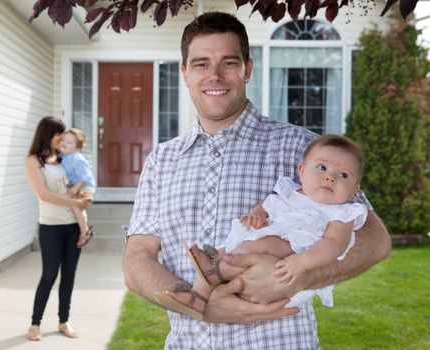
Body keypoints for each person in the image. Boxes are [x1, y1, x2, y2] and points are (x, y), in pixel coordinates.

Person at [123, 11, 391, 349]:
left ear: (247, 69)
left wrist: (297, 276)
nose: (215, 76)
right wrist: (200, 306)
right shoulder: (161, 162)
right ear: (185, 73)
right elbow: (137, 263)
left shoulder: (304, 151)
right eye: (201, 64)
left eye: (228, 63)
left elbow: (375, 241)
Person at [155, 134, 369, 320]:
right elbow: (266, 206)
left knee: (261, 244)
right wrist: (257, 215)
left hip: (294, 257)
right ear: (302, 171)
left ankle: (208, 278)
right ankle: (198, 293)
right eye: (322, 167)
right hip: (266, 242)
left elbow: (334, 246)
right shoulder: (289, 192)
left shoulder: (342, 213)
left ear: (354, 189)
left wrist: (302, 262)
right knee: (237, 243)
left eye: (343, 175)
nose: (330, 177)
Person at [25, 116, 92, 341]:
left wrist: (83, 195)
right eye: (58, 135)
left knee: (69, 276)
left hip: (73, 227)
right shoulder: (34, 161)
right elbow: (44, 194)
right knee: (49, 275)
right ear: (47, 135)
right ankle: (35, 324)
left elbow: (74, 183)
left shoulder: (63, 158)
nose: (62, 138)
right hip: (51, 228)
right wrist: (75, 202)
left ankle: (64, 321)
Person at [60, 128, 96, 248]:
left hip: (84, 185)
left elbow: (85, 176)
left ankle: (83, 231)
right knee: (74, 204)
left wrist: (76, 188)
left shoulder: (77, 158)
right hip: (76, 184)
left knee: (76, 206)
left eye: (69, 143)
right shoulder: (64, 155)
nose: (64, 143)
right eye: (63, 140)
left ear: (77, 148)